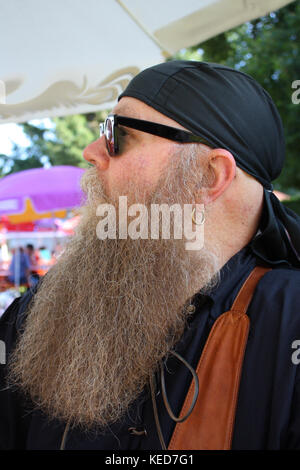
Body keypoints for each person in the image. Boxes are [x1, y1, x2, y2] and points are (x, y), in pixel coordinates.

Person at [1, 60, 300, 450]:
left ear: (210, 175)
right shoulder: (39, 314)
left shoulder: (289, 323)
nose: (91, 152)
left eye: (117, 135)